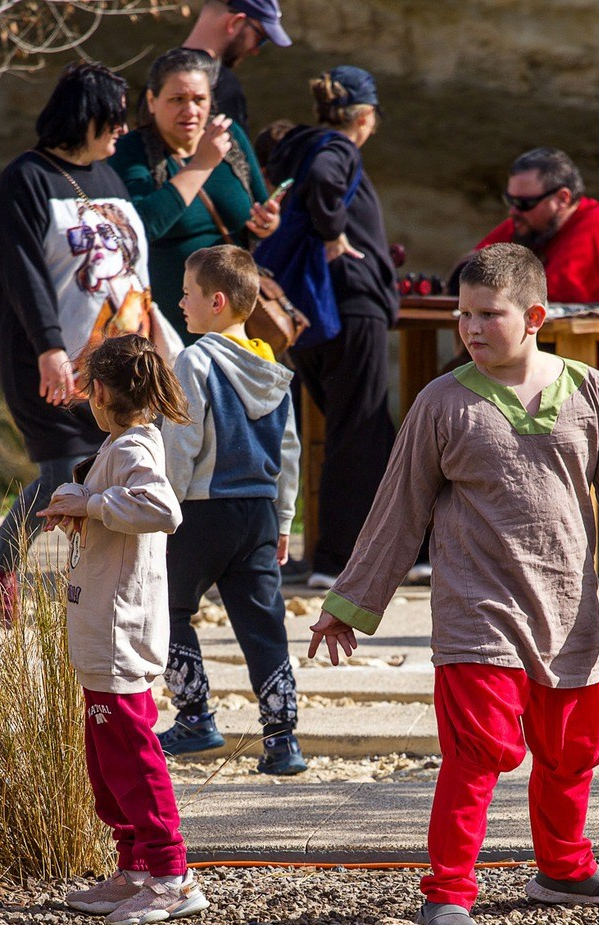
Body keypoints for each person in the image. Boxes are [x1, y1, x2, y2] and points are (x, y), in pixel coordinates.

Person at [307, 244, 599, 925]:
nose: (469, 327)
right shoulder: (443, 403)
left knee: (572, 750)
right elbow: (396, 510)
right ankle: (447, 895)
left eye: (487, 314)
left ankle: (563, 868)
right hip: (477, 614)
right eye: (462, 313)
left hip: (568, 612)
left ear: (534, 316)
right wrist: (350, 605)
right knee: (477, 752)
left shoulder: (592, 395)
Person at [0, 60, 172, 617]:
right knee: (68, 466)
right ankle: (3, 561)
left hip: (122, 361)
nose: (122, 131)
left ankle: (97, 582)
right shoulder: (25, 180)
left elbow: (134, 268)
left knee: (108, 462)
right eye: (112, 120)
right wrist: (50, 346)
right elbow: (23, 271)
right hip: (53, 358)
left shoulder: (109, 179)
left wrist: (152, 338)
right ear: (83, 118)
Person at [42, 334, 206, 925]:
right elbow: (110, 503)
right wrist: (77, 501)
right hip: (99, 622)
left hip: (119, 628)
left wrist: (90, 505)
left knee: (132, 754)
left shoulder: (138, 447)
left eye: (88, 388)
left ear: (103, 391)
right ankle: (134, 866)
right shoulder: (119, 444)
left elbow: (163, 509)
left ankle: (169, 873)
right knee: (105, 755)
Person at [157, 245, 306, 776]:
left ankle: (195, 716)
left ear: (216, 302)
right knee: (264, 623)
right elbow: (289, 452)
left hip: (201, 509)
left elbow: (181, 442)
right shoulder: (275, 369)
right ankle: (283, 739)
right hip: (260, 513)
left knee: (167, 608)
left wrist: (164, 508)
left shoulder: (194, 360)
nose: (179, 302)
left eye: (188, 293)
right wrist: (285, 521)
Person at [261, 67, 400, 590]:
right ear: (364, 117)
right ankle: (335, 560)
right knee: (357, 431)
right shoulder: (336, 148)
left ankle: (416, 548)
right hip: (350, 305)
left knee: (372, 431)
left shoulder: (296, 145)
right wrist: (336, 233)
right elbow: (325, 176)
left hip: (316, 310)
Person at [474, 147, 599, 430]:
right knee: (454, 378)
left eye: (524, 203)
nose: (514, 211)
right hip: (556, 356)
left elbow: (553, 295)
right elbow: (476, 267)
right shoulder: (532, 223)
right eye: (510, 200)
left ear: (562, 198)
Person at [109, 47, 279, 346]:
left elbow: (260, 206)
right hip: (172, 329)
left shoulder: (229, 137)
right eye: (177, 100)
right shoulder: (130, 151)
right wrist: (202, 164)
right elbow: (141, 226)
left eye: (199, 100)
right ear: (152, 101)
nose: (190, 111)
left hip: (237, 323)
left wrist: (268, 223)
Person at [177, 0, 293, 132]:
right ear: (234, 22)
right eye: (260, 38)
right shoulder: (222, 84)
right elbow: (234, 151)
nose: (255, 51)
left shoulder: (159, 78)